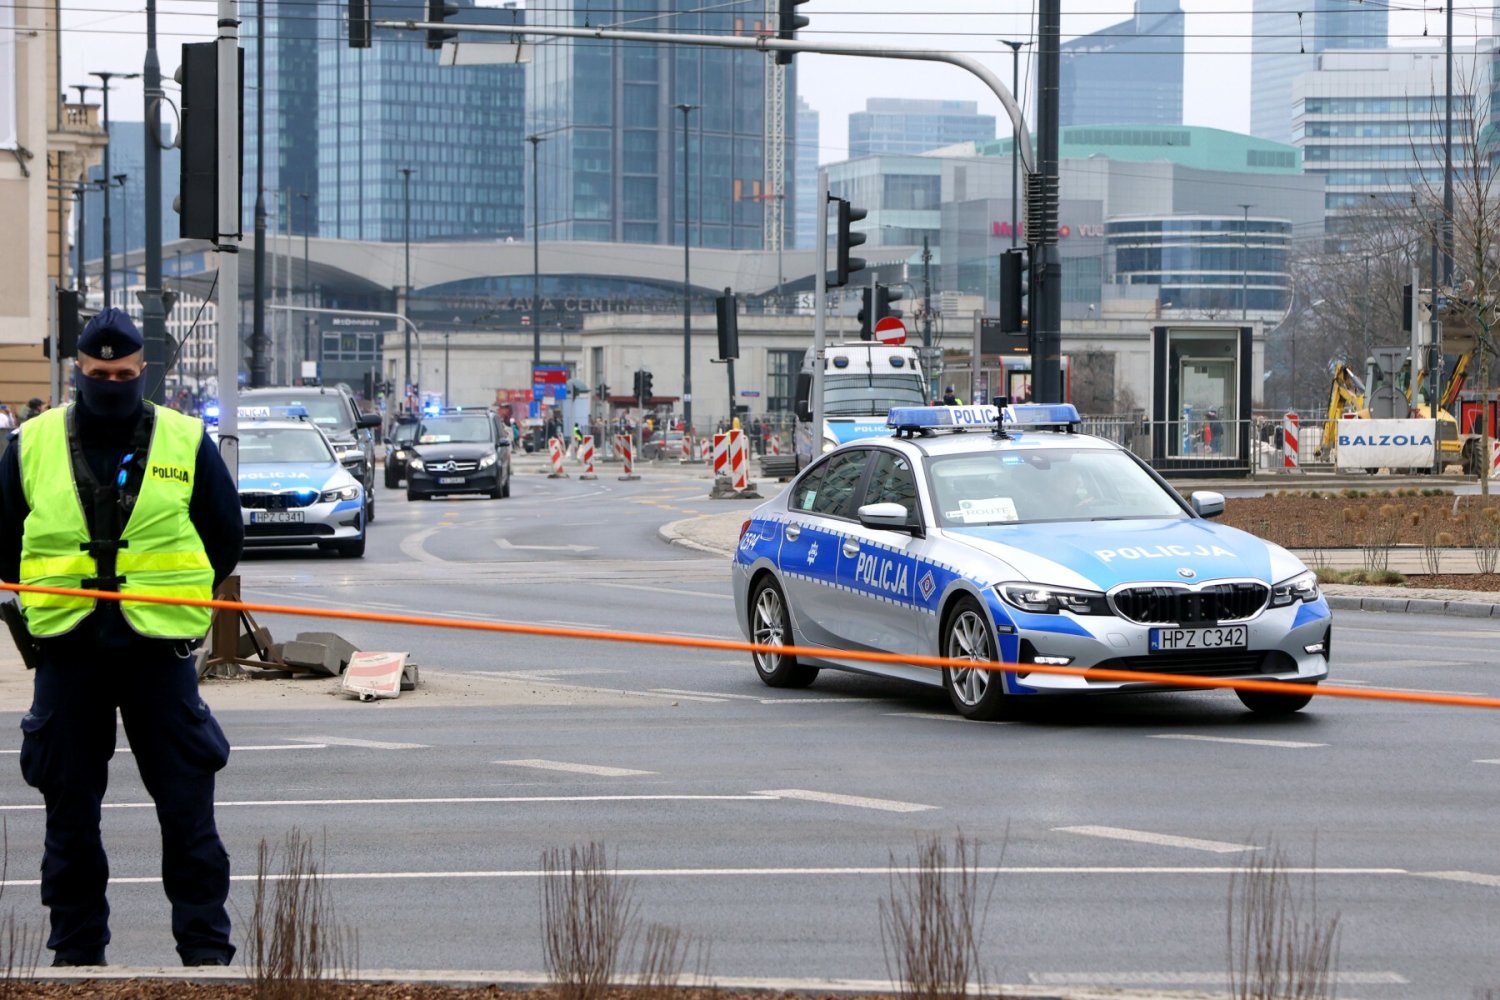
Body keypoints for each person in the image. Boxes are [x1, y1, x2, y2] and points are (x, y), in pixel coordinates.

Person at [0, 307, 244, 968]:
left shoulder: (185, 440)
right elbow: (2, 543)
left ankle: (206, 957)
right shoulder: (32, 442)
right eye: (100, 373)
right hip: (69, 656)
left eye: (124, 373)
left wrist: (167, 595)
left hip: (156, 656)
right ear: (80, 370)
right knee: (69, 824)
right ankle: (78, 960)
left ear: (143, 372)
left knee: (189, 816)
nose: (112, 382)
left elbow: (224, 539)